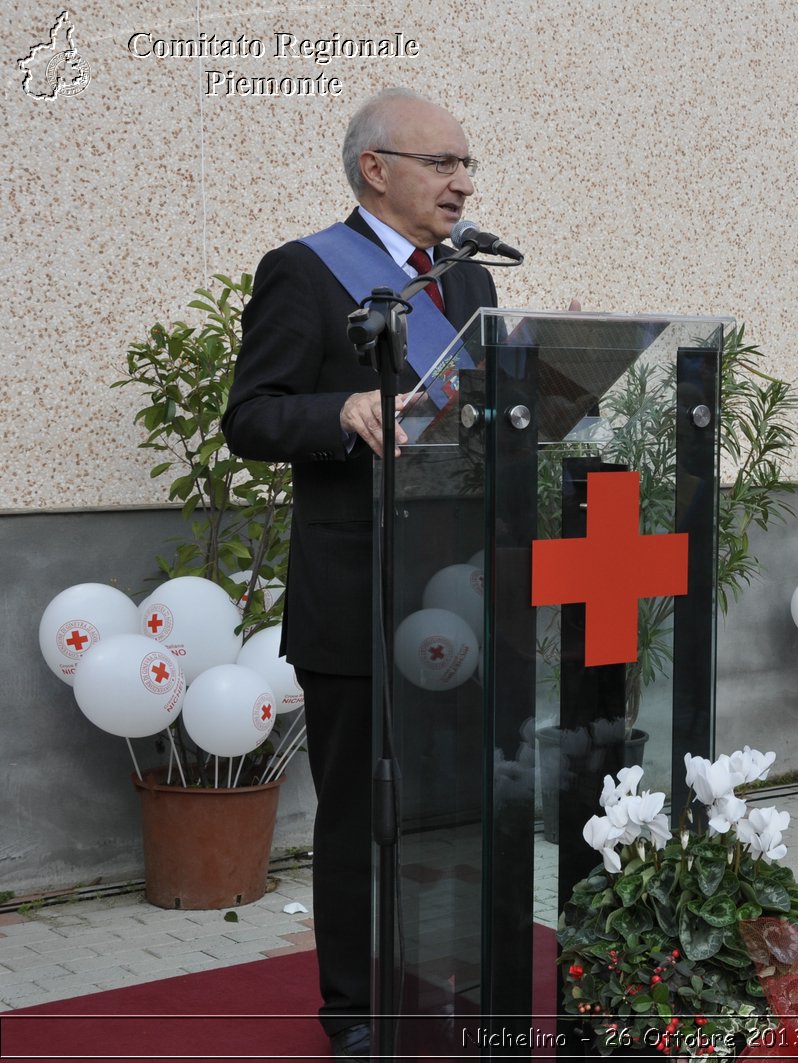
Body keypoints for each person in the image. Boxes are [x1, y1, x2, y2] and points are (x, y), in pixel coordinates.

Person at [222, 88, 498, 1059]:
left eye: (468, 165)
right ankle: (354, 1011)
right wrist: (338, 412)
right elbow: (251, 416)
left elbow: (480, 422)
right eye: (441, 163)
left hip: (451, 588)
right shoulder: (303, 272)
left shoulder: (468, 285)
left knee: (451, 797)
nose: (462, 182)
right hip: (353, 595)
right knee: (357, 812)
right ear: (376, 168)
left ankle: (446, 976)